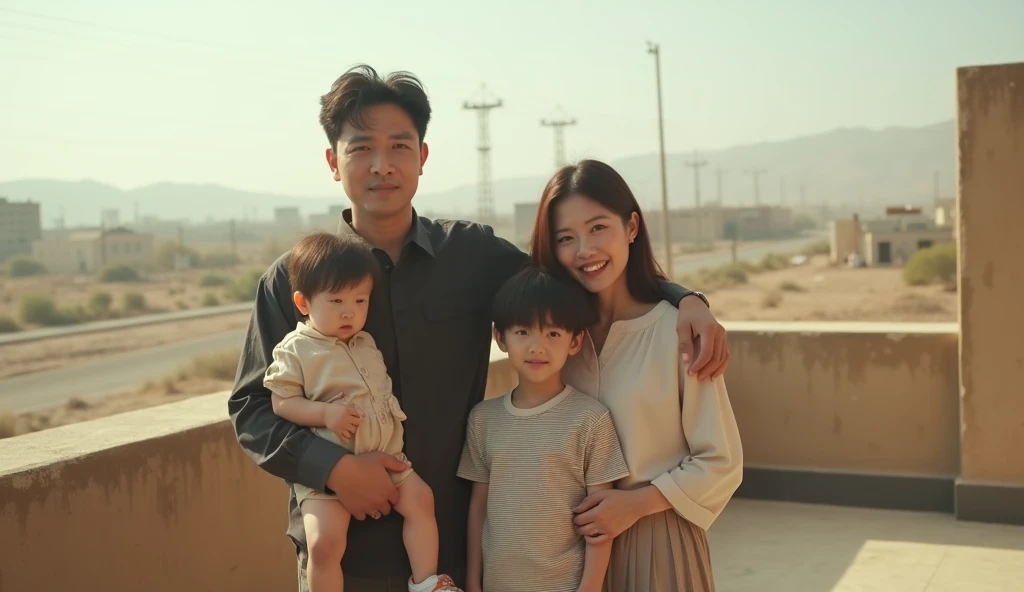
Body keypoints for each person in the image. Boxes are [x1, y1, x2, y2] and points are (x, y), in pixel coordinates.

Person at [228, 64, 731, 591]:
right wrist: (334, 468)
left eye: (399, 146)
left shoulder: (471, 256)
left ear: (422, 157)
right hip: (344, 553)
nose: (382, 165)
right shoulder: (293, 278)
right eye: (361, 149)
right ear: (334, 161)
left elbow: (574, 279)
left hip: (450, 547)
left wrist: (683, 297)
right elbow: (252, 408)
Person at [529, 159, 744, 592]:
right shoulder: (557, 340)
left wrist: (636, 504)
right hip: (567, 551)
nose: (585, 250)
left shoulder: (678, 332)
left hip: (657, 541)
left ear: (631, 227)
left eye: (597, 228)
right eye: (566, 238)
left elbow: (721, 461)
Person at [262, 232, 459, 592]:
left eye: (360, 299)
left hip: (387, 458)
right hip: (330, 474)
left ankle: (426, 583)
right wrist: (325, 414)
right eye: (336, 300)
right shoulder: (296, 348)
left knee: (421, 501)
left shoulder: (365, 341)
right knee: (324, 542)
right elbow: (281, 402)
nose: (349, 311)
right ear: (303, 302)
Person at [458, 267, 629, 592]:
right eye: (523, 332)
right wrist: (472, 580)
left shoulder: (591, 420)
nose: (537, 347)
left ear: (575, 341)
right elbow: (478, 507)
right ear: (500, 337)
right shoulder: (483, 419)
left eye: (552, 334)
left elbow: (600, 518)